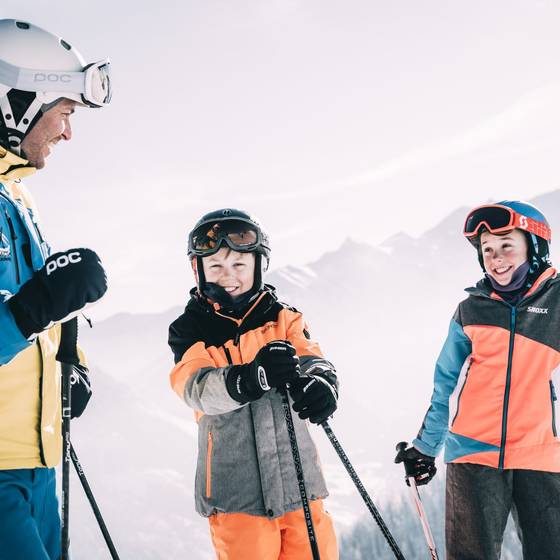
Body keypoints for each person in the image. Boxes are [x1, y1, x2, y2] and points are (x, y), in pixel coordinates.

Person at [0, 19, 111, 560]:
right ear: (15, 103)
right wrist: (37, 305)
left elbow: (35, 309)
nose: (69, 133)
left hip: (37, 462)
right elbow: (26, 309)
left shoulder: (16, 197)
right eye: (64, 113)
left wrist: (72, 360)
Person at [168, 208, 339, 559]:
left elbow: (312, 358)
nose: (228, 276)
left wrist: (322, 383)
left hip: (299, 482)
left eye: (239, 265)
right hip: (236, 494)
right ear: (198, 270)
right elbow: (196, 388)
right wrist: (251, 378)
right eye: (215, 266)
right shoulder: (190, 329)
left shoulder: (283, 318)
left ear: (259, 266)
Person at [395, 201, 560, 559]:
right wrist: (426, 447)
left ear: (534, 247)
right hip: (472, 455)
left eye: (505, 245)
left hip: (541, 454)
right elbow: (447, 386)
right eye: (487, 250)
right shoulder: (471, 310)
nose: (496, 257)